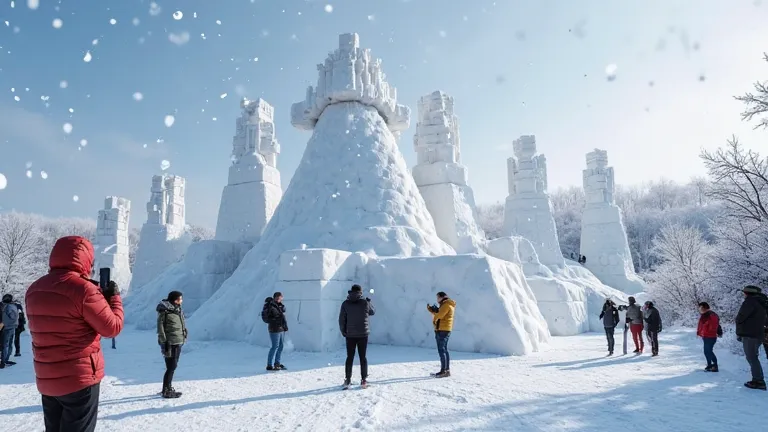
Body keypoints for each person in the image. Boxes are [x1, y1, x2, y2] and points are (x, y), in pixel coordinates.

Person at [26, 236, 124, 432]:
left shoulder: (34, 289)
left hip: (47, 377)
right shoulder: (84, 290)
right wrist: (113, 299)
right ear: (85, 259)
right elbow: (112, 328)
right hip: (79, 378)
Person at [339, 284, 375, 389]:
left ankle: (348, 380)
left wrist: (343, 331)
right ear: (360, 292)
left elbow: (341, 320)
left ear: (351, 291)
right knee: (362, 357)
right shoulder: (364, 303)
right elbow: (372, 312)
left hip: (350, 335)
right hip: (363, 334)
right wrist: (369, 302)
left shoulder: (345, 304)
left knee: (349, 357)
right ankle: (363, 380)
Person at [735, 285, 767, 390]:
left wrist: (739, 327)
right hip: (758, 333)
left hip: (750, 334)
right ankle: (758, 379)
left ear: (747, 293)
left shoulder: (750, 302)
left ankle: (758, 381)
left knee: (752, 357)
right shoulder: (762, 302)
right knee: (753, 357)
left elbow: (741, 317)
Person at [157, 290, 187, 399]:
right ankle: (166, 390)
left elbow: (181, 323)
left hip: (178, 341)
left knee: (173, 366)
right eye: (180, 298)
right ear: (175, 300)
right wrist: (164, 342)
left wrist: (184, 332)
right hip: (170, 342)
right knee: (171, 366)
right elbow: (160, 328)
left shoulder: (177, 310)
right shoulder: (165, 312)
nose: (181, 300)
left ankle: (168, 387)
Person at [427, 291, 456, 378]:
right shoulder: (446, 304)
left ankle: (444, 371)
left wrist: (434, 311)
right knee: (444, 350)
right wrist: (434, 311)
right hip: (444, 329)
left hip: (443, 330)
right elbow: (440, 314)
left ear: (442, 297)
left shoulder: (446, 305)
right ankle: (446, 370)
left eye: (438, 297)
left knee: (442, 350)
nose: (437, 299)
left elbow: (440, 315)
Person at [262, 292, 288, 371]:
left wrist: (284, 326)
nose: (278, 299)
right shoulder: (270, 306)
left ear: (282, 298)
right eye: (276, 298)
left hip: (281, 328)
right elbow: (266, 318)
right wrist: (274, 321)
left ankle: (277, 363)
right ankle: (269, 365)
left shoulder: (279, 306)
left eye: (279, 298)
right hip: (274, 329)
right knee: (275, 346)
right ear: (274, 298)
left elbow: (282, 317)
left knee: (280, 346)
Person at [696, 302, 719, 372]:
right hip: (706, 336)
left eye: (700, 308)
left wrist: (706, 329)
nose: (699, 309)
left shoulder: (711, 315)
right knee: (707, 351)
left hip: (710, 336)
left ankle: (715, 365)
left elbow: (713, 326)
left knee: (708, 351)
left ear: (704, 307)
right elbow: (701, 325)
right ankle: (709, 365)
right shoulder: (705, 315)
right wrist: (699, 332)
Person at [1, 293, 19, 368]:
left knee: (5, 345)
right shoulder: (14, 306)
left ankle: (3, 361)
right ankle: (6, 359)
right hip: (13, 327)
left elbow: (10, 317)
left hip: (7, 328)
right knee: (10, 344)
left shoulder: (7, 307)